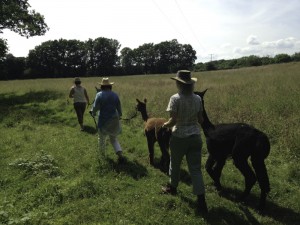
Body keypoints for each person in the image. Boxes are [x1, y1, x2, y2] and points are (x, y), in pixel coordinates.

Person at [161, 70, 208, 215]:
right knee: (195, 169)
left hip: (179, 137)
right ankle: (201, 202)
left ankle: (172, 188)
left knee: (175, 164)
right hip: (195, 137)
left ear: (178, 83)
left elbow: (173, 120)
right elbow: (201, 120)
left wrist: (165, 125)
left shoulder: (175, 98)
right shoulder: (197, 99)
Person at [90, 77, 125, 163]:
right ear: (110, 86)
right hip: (115, 119)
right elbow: (119, 106)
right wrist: (120, 115)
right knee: (113, 138)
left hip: (104, 120)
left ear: (102, 86)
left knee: (101, 138)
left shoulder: (99, 95)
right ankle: (120, 154)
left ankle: (102, 156)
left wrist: (93, 112)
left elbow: (95, 107)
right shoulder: (115, 94)